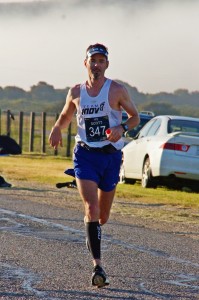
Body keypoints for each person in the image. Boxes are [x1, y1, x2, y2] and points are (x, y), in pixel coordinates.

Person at [49, 43, 140, 288]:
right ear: (85, 63)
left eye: (101, 61)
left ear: (107, 64)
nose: (97, 65)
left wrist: (122, 128)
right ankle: (97, 266)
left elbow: (135, 117)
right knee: (91, 207)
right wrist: (57, 128)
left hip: (110, 157)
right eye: (93, 60)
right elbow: (66, 116)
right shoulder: (76, 92)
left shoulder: (116, 90)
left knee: (103, 216)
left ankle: (93, 232)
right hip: (85, 155)